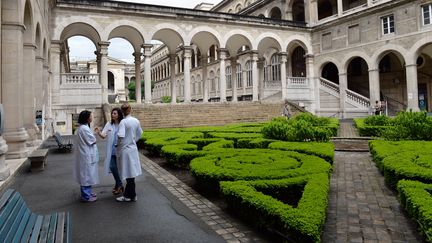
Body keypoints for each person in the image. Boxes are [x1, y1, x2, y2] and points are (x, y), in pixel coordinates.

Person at [116, 103, 143, 202]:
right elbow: (140, 133)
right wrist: (133, 140)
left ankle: (129, 196)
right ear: (130, 109)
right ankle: (131, 195)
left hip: (125, 150)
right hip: (133, 149)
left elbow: (121, 136)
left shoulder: (123, 122)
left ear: (122, 111)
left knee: (128, 173)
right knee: (131, 173)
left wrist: (118, 145)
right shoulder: (136, 121)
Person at [95, 108, 124, 196]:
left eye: (115, 113)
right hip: (111, 150)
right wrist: (99, 132)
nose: (112, 115)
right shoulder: (109, 124)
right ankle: (120, 184)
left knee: (118, 169)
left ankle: (117, 186)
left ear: (119, 114)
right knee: (112, 166)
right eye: (112, 113)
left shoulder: (122, 124)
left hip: (120, 150)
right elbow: (104, 135)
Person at [74, 110, 99, 202]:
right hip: (86, 155)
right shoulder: (84, 128)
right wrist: (95, 136)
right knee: (86, 175)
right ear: (87, 118)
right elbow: (93, 140)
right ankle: (86, 196)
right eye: (90, 116)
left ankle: (88, 192)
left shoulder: (82, 128)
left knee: (87, 174)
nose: (92, 118)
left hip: (85, 154)